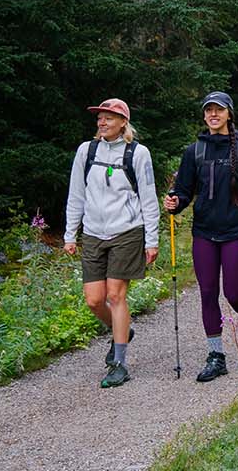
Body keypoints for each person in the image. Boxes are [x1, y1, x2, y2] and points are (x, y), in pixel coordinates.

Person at [163, 91, 238, 383]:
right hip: (204, 233)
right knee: (208, 293)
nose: (213, 114)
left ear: (229, 114)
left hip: (235, 232)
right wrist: (175, 201)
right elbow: (183, 190)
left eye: (218, 110)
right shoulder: (194, 151)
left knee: (233, 294)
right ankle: (216, 355)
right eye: (208, 110)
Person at [65, 98, 161, 388]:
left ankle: (119, 364)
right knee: (94, 300)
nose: (102, 123)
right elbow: (76, 194)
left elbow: (148, 198)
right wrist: (71, 233)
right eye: (99, 119)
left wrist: (151, 240)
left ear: (123, 123)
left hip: (127, 232)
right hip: (94, 233)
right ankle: (121, 329)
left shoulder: (138, 153)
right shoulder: (87, 151)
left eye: (108, 118)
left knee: (116, 295)